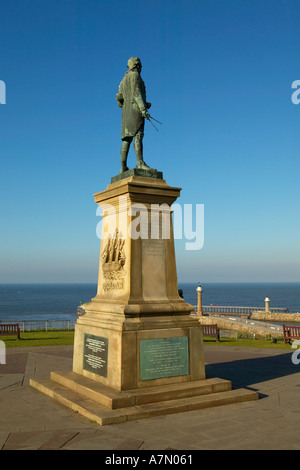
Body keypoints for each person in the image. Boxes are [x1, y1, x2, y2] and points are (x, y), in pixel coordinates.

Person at [116, 57, 152, 173]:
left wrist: (145, 104)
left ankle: (123, 167)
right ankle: (140, 162)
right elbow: (136, 93)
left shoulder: (123, 80)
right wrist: (143, 108)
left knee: (126, 139)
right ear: (138, 65)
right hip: (135, 110)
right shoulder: (135, 76)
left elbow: (119, 102)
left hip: (126, 112)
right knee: (138, 135)